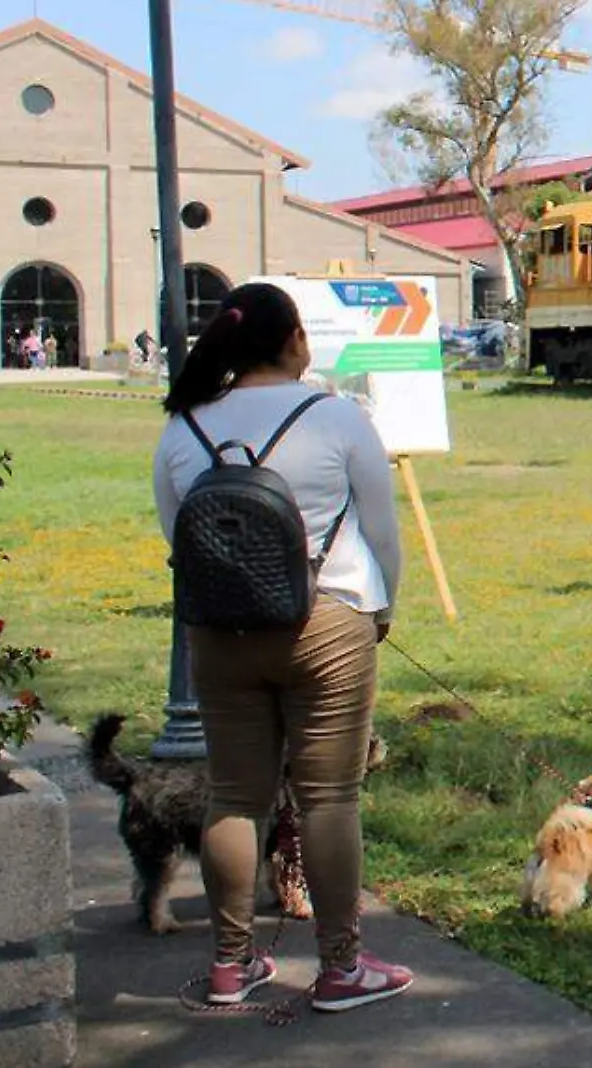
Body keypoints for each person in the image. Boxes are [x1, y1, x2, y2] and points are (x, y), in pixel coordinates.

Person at [151, 282, 413, 1012]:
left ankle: (231, 965)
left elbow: (177, 535)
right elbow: (381, 528)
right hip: (327, 620)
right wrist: (382, 605)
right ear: (293, 340)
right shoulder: (336, 417)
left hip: (222, 630)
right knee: (331, 797)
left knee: (236, 795)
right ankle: (340, 967)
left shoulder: (185, 425)